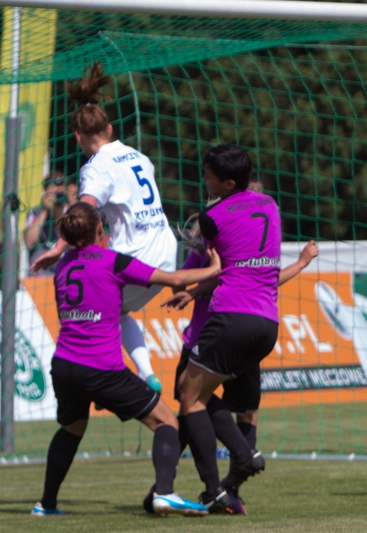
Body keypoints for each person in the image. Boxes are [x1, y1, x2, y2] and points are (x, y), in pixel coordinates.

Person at [31, 202, 220, 517]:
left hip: (64, 365)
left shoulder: (62, 266)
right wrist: (213, 269)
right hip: (101, 368)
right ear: (100, 229)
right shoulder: (113, 261)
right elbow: (174, 279)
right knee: (167, 421)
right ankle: (165, 493)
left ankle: (46, 505)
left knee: (72, 428)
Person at [31, 61, 177, 395]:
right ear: (109, 129)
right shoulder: (139, 157)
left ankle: (108, 378)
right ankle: (146, 375)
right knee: (118, 310)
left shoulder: (96, 168)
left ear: (77, 136)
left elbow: (84, 210)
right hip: (167, 250)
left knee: (95, 312)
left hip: (136, 255)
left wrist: (57, 248)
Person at [150, 233, 318, 514]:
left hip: (211, 335)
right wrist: (300, 264)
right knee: (244, 411)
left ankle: (205, 481)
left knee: (190, 400)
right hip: (248, 334)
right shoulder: (247, 245)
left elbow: (180, 280)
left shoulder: (211, 247)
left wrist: (201, 277)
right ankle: (230, 487)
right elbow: (265, 280)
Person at [176, 144, 281, 512]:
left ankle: (233, 465)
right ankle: (230, 484)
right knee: (236, 404)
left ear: (228, 182)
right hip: (267, 323)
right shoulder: (270, 204)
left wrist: (184, 286)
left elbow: (214, 266)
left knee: (189, 395)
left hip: (230, 317)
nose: (204, 181)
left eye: (209, 176)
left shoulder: (211, 217)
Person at [24, 176, 70, 276]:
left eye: (60, 193)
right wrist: (44, 210)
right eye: (53, 193)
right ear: (45, 192)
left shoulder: (72, 213)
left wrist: (59, 213)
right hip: (39, 276)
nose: (57, 197)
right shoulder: (36, 212)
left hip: (65, 275)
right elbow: (28, 242)